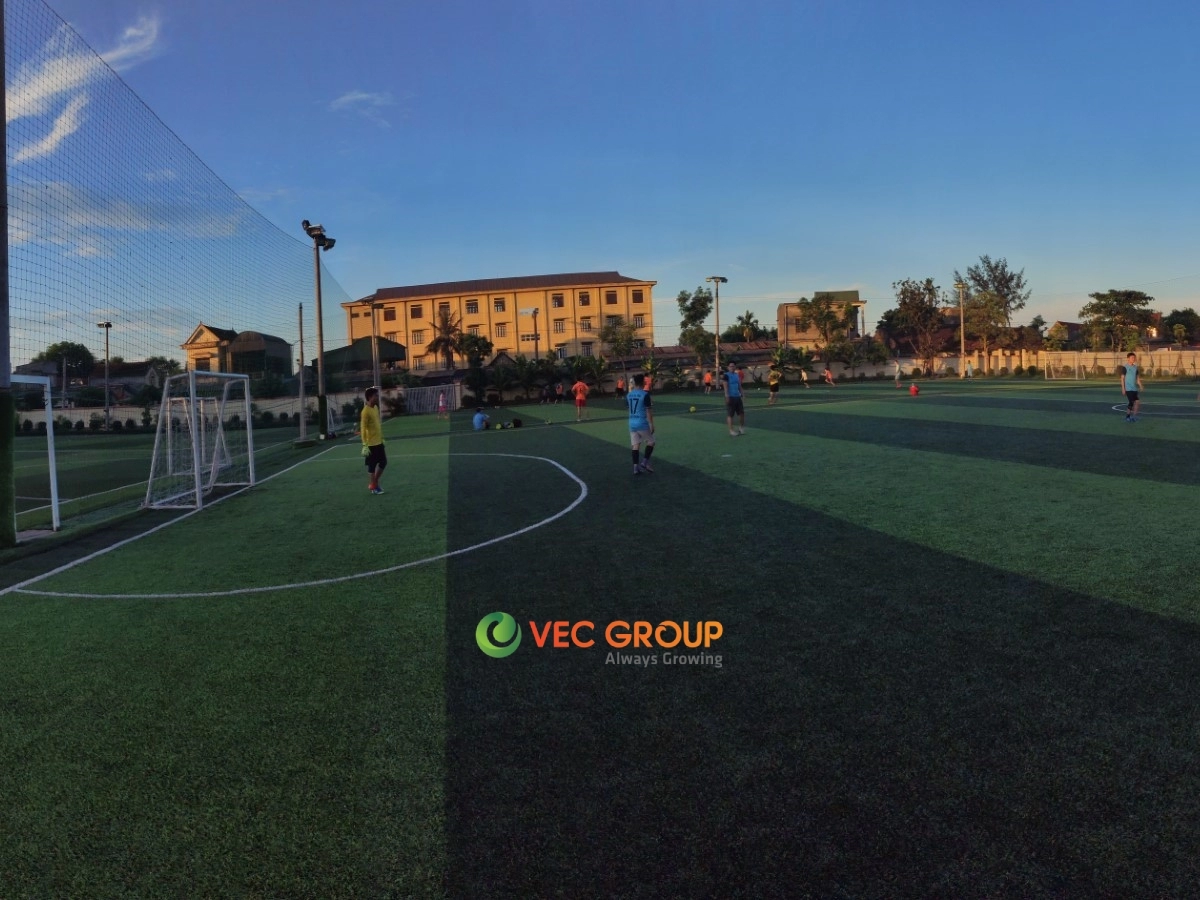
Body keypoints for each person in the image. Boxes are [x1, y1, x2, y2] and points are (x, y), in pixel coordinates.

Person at [627, 373, 656, 475]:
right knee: (651, 441)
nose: (645, 383)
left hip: (631, 422)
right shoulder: (645, 395)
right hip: (641, 422)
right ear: (642, 382)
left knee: (635, 445)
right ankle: (644, 462)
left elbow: (629, 408)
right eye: (644, 381)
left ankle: (635, 468)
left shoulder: (629, 395)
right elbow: (648, 411)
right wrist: (651, 424)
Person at [360, 386, 387, 495]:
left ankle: (374, 483)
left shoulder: (375, 408)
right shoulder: (365, 411)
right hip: (371, 444)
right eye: (376, 395)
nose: (377, 397)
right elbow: (363, 428)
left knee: (383, 462)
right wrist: (364, 444)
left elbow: (377, 425)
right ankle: (374, 488)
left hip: (379, 442)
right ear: (370, 397)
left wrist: (382, 437)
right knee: (372, 466)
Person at [722, 361, 745, 436]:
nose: (732, 367)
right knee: (730, 414)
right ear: (728, 367)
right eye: (730, 366)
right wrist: (727, 396)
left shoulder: (736, 375)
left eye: (733, 366)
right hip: (730, 397)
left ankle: (741, 428)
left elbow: (739, 386)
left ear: (735, 367)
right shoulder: (726, 375)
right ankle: (731, 431)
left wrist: (743, 394)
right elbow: (725, 387)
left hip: (737, 397)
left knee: (741, 413)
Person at [1121, 352, 1143, 422]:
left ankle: (1134, 416)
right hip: (1128, 388)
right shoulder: (1125, 367)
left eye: (1134, 357)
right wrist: (1123, 388)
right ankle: (1127, 417)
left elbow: (1137, 379)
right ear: (1128, 359)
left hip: (1134, 388)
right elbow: (1122, 378)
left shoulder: (1135, 367)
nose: (1134, 359)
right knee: (1131, 402)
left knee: (1137, 402)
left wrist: (1140, 385)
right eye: (1132, 357)